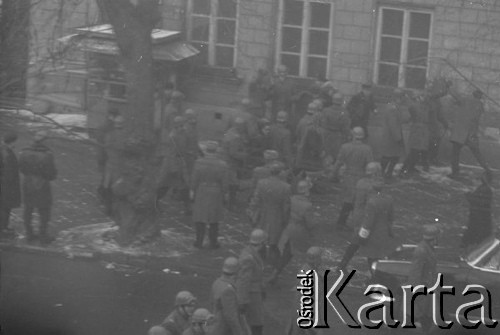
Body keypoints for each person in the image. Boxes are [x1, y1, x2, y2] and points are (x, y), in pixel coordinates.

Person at [337, 183, 396, 272]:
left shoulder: (371, 202)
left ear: (372, 190)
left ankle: (343, 266)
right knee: (372, 255)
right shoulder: (389, 199)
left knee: (365, 252)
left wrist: (362, 236)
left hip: (368, 231)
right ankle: (342, 266)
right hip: (381, 232)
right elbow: (391, 217)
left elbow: (368, 223)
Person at [247, 162, 291, 269]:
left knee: (260, 238)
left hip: (262, 213)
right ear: (280, 173)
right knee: (273, 241)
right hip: (277, 215)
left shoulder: (261, 183)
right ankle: (270, 264)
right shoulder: (286, 187)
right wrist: (285, 219)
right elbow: (286, 206)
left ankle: (257, 260)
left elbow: (256, 199)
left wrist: (251, 211)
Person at [18, 131, 57, 244]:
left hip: (28, 183)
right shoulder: (48, 154)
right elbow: (51, 173)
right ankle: (43, 235)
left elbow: (21, 168)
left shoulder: (24, 152)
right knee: (44, 210)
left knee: (28, 209)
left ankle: (29, 234)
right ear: (45, 141)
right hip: (42, 184)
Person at [331, 127, 374, 231]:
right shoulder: (367, 149)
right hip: (361, 177)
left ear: (352, 135)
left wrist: (333, 173)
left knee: (348, 200)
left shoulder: (345, 147)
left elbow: (338, 162)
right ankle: (356, 223)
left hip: (348, 177)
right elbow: (370, 164)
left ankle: (341, 222)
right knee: (359, 201)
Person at [274, 179, 316, 283]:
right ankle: (303, 280)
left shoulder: (291, 199)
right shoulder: (308, 205)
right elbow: (310, 223)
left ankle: (274, 274)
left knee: (287, 253)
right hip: (300, 232)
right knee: (305, 256)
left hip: (288, 229)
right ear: (306, 191)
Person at [190, 141, 229, 249]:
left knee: (200, 217)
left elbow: (194, 179)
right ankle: (213, 242)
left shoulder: (199, 162)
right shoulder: (222, 164)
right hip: (216, 192)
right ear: (216, 151)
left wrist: (192, 190)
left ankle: (199, 241)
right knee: (214, 219)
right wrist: (225, 193)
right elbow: (225, 183)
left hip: (202, 190)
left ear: (205, 150)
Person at [448, 89, 491, 179]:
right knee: (477, 153)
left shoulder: (465, 100)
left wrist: (449, 87)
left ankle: (455, 172)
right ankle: (488, 171)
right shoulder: (480, 105)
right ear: (480, 96)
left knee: (455, 153)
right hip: (471, 133)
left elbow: (455, 96)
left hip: (460, 132)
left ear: (473, 94)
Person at [407, 224, 440, 332]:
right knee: (425, 318)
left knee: (428, 317)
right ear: (433, 238)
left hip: (428, 288)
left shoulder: (428, 248)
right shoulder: (421, 251)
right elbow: (415, 273)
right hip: (423, 290)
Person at [156, 116, 190, 214]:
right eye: (180, 126)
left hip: (180, 162)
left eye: (182, 125)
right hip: (170, 164)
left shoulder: (184, 134)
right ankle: (155, 203)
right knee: (164, 185)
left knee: (184, 185)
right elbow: (171, 153)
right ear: (175, 126)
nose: (182, 127)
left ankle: (187, 207)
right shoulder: (172, 136)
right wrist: (174, 168)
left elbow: (185, 147)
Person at [236, 229, 267, 335]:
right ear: (262, 243)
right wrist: (242, 301)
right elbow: (244, 281)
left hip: (255, 292)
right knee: (256, 323)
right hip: (251, 295)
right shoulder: (249, 258)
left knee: (256, 322)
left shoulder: (251, 253)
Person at [211, 257, 246, 335]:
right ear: (236, 272)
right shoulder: (228, 290)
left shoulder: (217, 282)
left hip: (216, 324)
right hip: (224, 329)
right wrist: (239, 333)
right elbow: (231, 317)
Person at [400, 93, 432, 176]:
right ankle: (405, 169)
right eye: (421, 97)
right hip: (418, 131)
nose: (423, 99)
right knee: (414, 150)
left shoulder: (424, 107)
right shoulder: (416, 106)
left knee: (416, 151)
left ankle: (409, 168)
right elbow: (411, 110)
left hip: (422, 131)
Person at [222, 117, 249, 210]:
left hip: (226, 161)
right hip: (231, 163)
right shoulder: (235, 137)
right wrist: (245, 155)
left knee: (228, 183)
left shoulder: (230, 132)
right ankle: (231, 205)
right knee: (233, 184)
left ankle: (226, 201)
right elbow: (233, 153)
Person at [461, 172, 493, 248]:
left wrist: (468, 194)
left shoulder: (484, 190)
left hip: (478, 217)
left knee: (475, 233)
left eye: (473, 180)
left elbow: (477, 202)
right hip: (480, 217)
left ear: (479, 180)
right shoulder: (484, 189)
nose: (472, 182)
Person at [378, 95, 405, 182]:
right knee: (390, 156)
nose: (402, 100)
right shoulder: (393, 108)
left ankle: (386, 173)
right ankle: (384, 174)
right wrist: (398, 137)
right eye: (401, 98)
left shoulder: (393, 107)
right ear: (397, 98)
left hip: (391, 135)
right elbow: (393, 124)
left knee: (393, 156)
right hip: (391, 136)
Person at [0, 132, 21, 237]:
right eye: (15, 141)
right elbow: (9, 173)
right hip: (6, 186)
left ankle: (4, 227)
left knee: (4, 207)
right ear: (11, 142)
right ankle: (3, 229)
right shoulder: (7, 153)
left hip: (4, 184)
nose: (16, 144)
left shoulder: (4, 151)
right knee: (5, 207)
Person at [351, 162, 382, 232]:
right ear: (376, 172)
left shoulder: (360, 182)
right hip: (368, 213)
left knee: (357, 231)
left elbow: (354, 197)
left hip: (357, 211)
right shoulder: (375, 185)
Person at [320, 92, 350, 165]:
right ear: (341, 101)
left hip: (326, 136)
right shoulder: (344, 112)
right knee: (336, 157)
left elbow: (322, 125)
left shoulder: (326, 110)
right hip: (338, 137)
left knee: (325, 155)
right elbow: (346, 129)